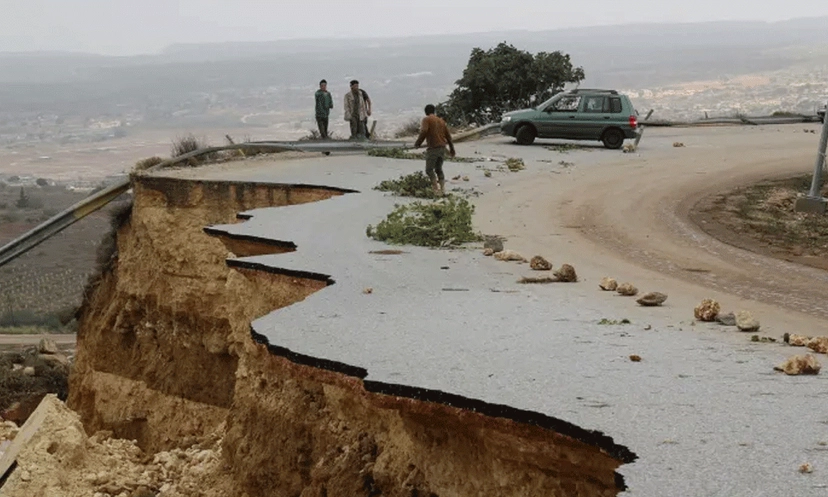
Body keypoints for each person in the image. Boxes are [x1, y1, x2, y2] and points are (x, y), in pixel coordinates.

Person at [413, 104, 455, 195]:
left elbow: (424, 131)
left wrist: (418, 143)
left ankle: (435, 188)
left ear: (426, 112)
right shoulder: (441, 121)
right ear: (434, 111)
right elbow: (448, 137)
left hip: (433, 148)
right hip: (442, 148)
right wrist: (452, 149)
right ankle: (443, 189)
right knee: (438, 168)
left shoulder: (426, 119)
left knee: (429, 170)